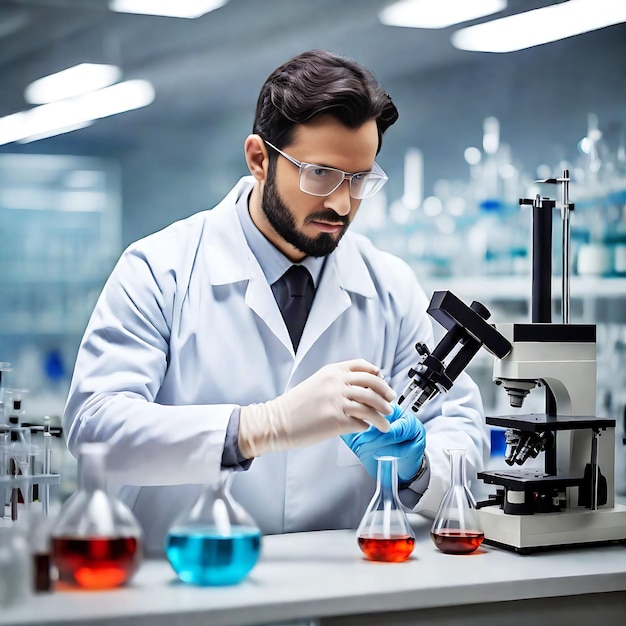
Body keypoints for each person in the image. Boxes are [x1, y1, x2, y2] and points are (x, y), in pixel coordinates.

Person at [63, 49, 488, 556]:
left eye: (359, 180)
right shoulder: (160, 268)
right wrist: (257, 427)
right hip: (186, 586)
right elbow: (95, 427)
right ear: (259, 158)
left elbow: (460, 435)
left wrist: (418, 466)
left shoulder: (390, 285)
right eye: (321, 174)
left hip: (344, 590)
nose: (341, 203)